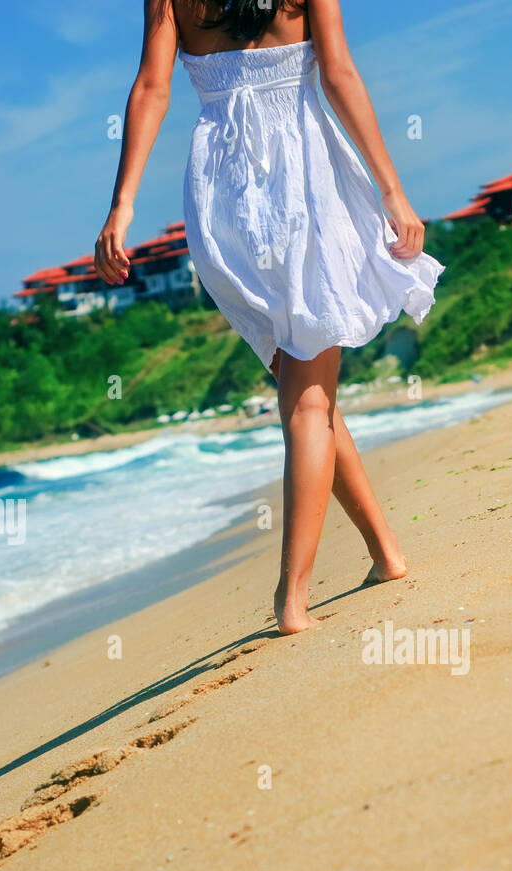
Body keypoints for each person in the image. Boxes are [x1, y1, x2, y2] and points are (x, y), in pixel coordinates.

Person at [94, 0, 444, 634]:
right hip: (306, 181)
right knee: (308, 400)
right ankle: (294, 597)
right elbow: (338, 74)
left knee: (303, 388)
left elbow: (151, 86)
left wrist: (122, 207)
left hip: (222, 196)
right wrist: (391, 189)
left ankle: (385, 552)